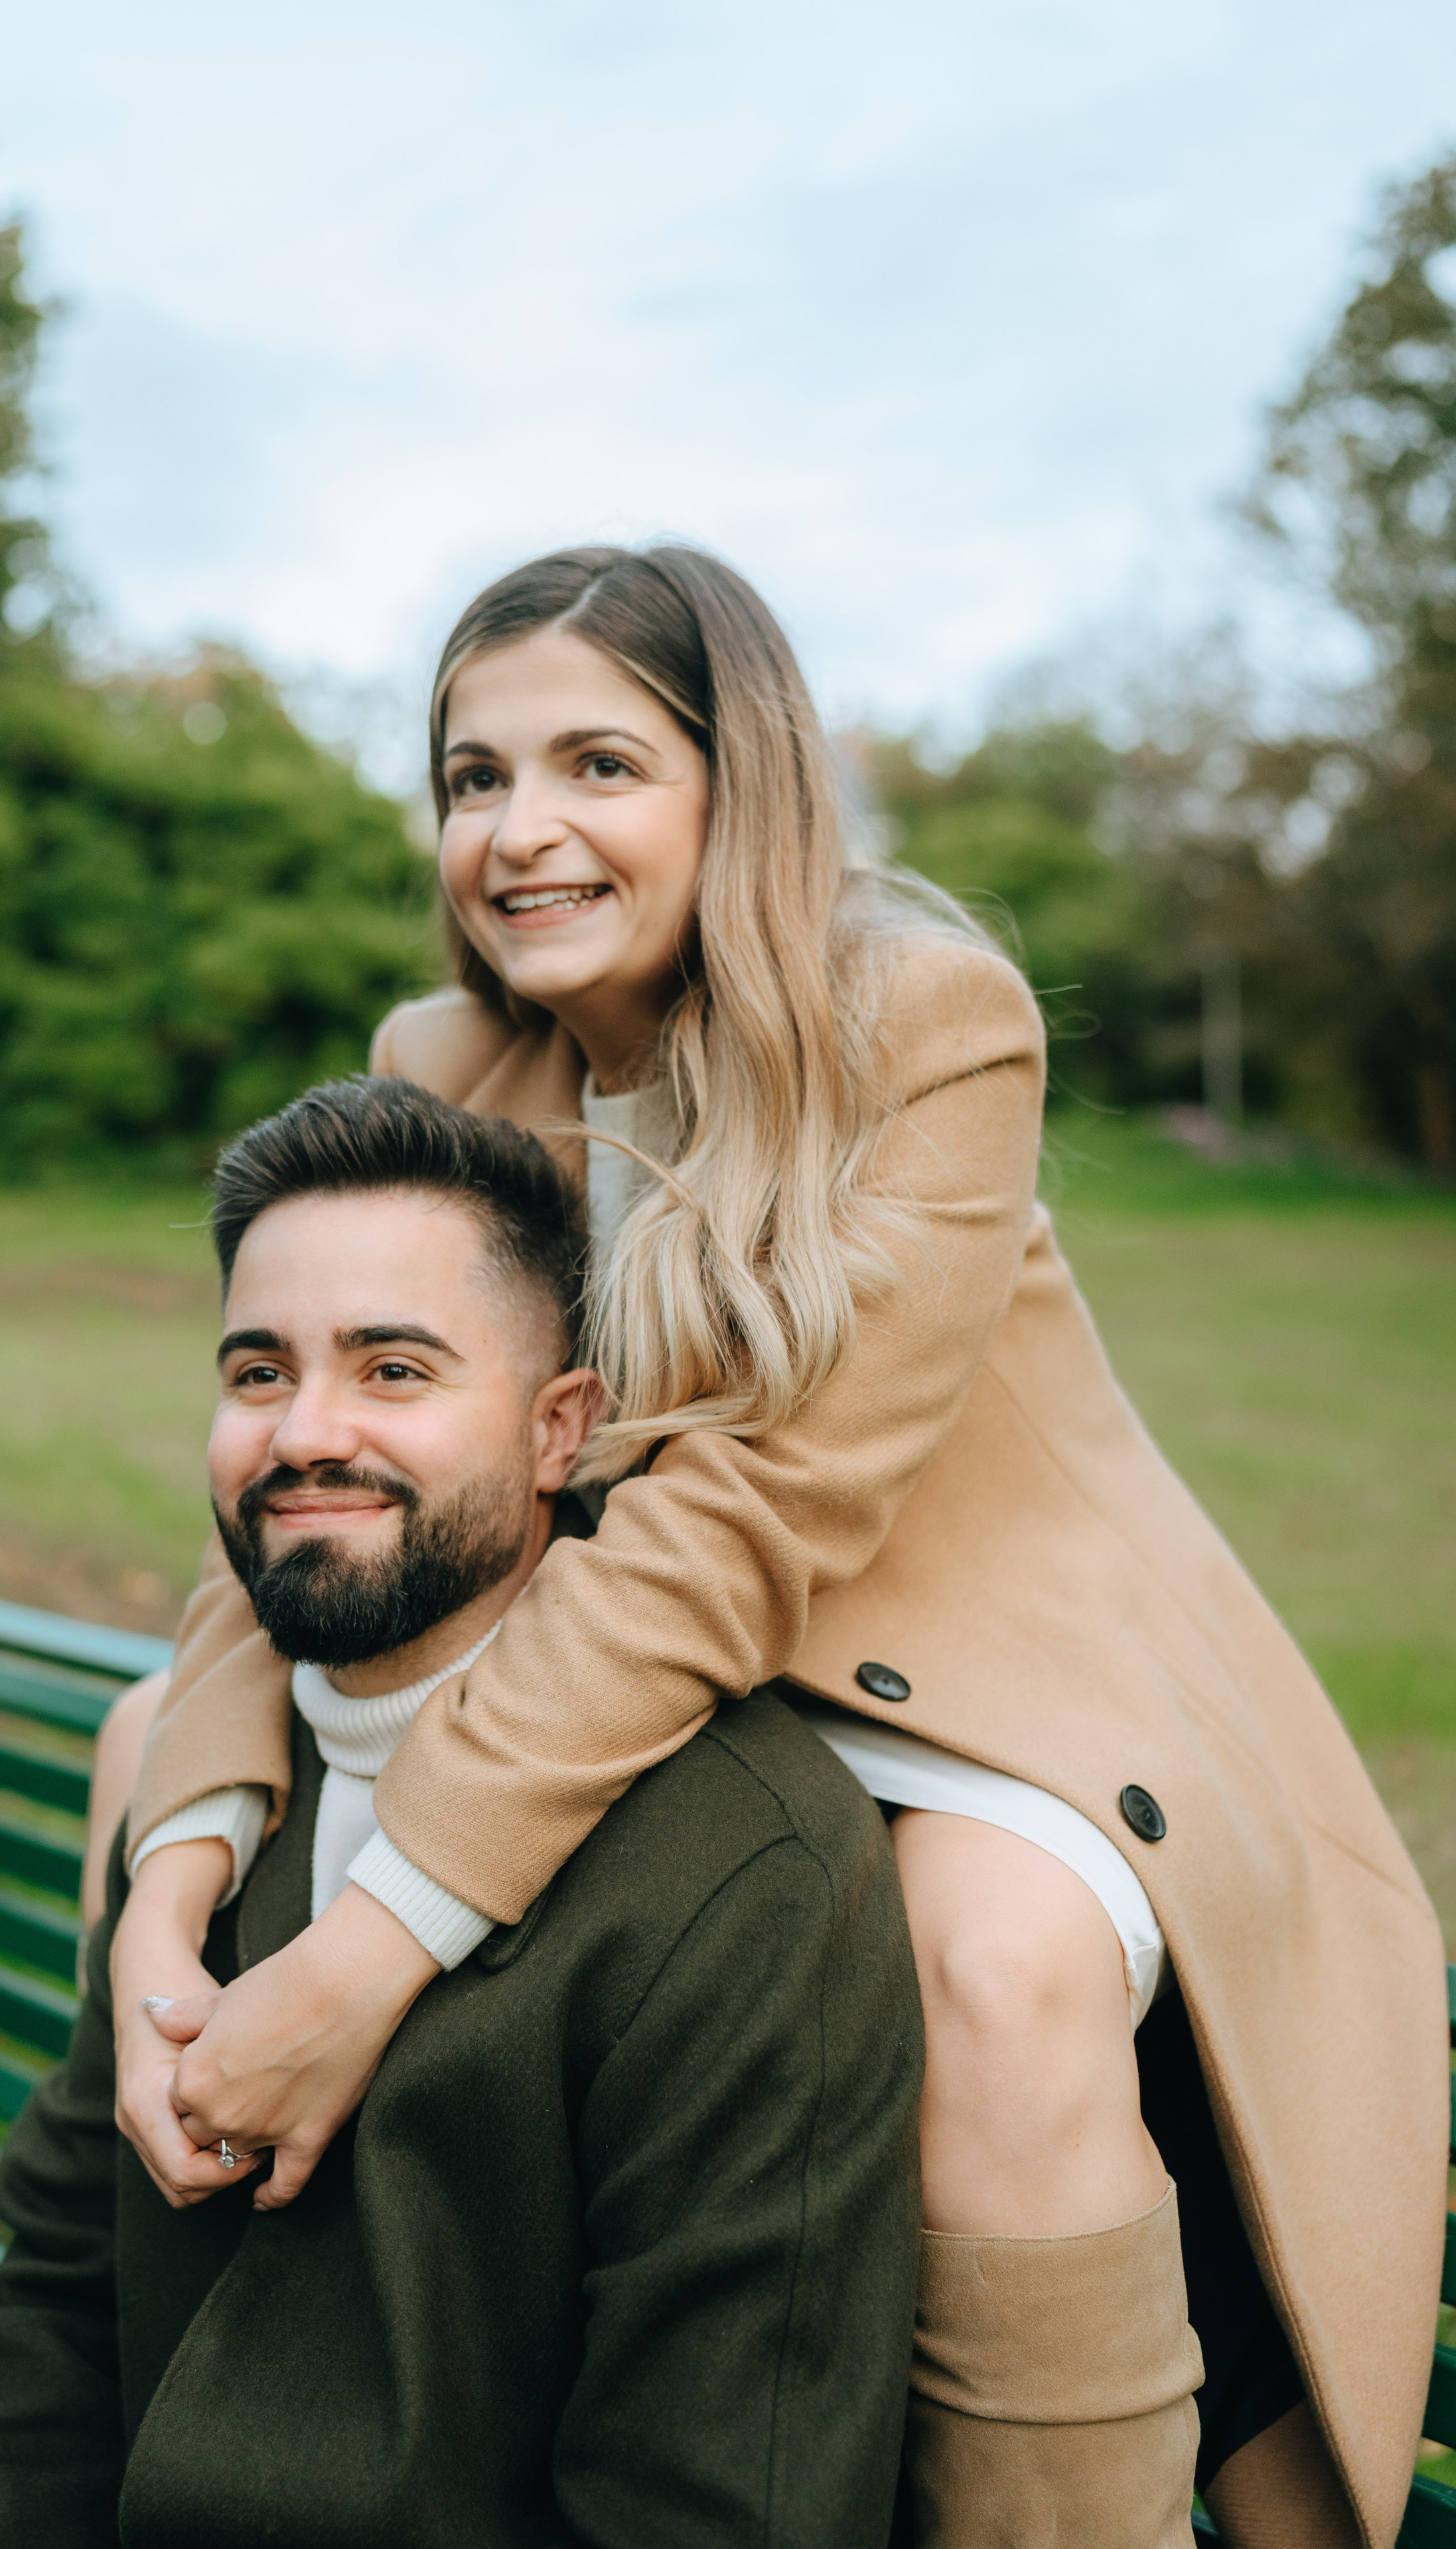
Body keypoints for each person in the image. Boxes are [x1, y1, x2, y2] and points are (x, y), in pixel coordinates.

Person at [100, 546, 1446, 2549]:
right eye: (474, 777)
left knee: (987, 1963)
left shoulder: (924, 1025)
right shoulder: (446, 1068)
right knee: (153, 1733)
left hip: (986, 1692)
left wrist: (369, 1947)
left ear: (746, 788)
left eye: (598, 765)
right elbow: (306, 1484)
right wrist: (174, 1871)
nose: (521, 830)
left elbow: (751, 1520)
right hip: (669, 1691)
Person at [0, 1077, 924, 2549]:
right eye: (258, 1371)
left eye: (394, 1371)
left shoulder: (743, 1874)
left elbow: (723, 2504)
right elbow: (56, 2308)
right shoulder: (211, 1802)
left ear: (558, 1432)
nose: (305, 1433)